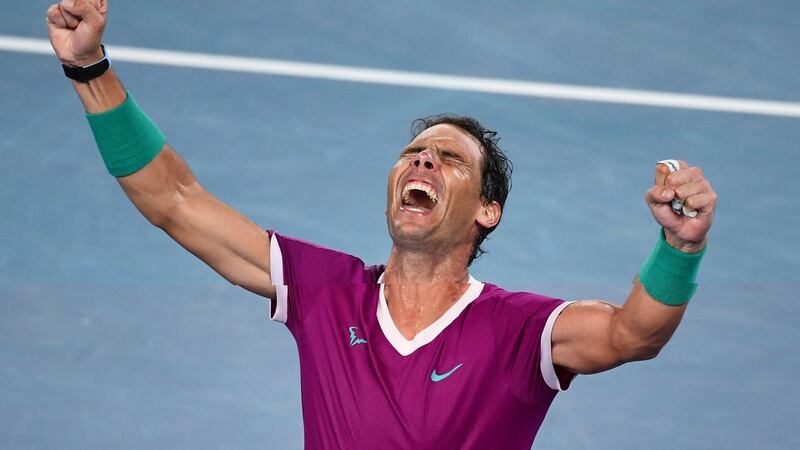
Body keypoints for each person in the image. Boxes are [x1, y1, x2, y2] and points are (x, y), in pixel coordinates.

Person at [46, 1, 718, 448]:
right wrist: (88, 68)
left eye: (449, 159)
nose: (423, 157)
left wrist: (679, 247)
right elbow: (175, 200)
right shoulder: (325, 290)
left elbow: (633, 335)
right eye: (414, 153)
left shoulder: (522, 333)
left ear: (488, 212)